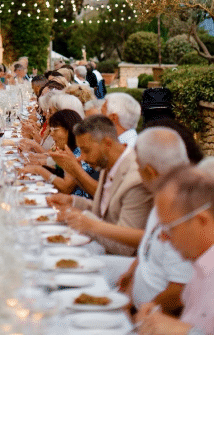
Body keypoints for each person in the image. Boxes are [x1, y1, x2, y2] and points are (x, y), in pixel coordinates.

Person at [47, 115, 152, 255]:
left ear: (107, 144)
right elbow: (105, 212)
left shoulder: (135, 179)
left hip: (123, 259)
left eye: (86, 150)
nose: (81, 157)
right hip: (103, 248)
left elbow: (125, 248)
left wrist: (85, 220)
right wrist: (73, 202)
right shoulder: (108, 163)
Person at [114, 128, 193, 313]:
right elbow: (150, 244)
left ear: (149, 171)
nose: (138, 174)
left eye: (138, 167)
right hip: (135, 306)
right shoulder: (166, 193)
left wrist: (144, 315)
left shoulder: (182, 208)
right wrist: (132, 271)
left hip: (154, 322)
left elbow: (179, 290)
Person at [136, 165, 214, 334]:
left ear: (201, 220)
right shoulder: (200, 266)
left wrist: (184, 332)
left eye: (169, 228)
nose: (162, 237)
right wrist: (158, 316)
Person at [19, 109, 99, 199]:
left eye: (55, 130)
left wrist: (38, 169)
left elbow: (66, 187)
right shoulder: (71, 150)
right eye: (51, 130)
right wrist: (36, 160)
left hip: (77, 206)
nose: (52, 134)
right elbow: (54, 161)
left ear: (68, 129)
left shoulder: (80, 153)